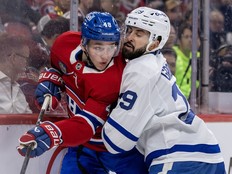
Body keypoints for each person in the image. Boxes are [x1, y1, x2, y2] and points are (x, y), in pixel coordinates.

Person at [17, 11, 147, 173]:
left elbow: (84, 126)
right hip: (82, 147)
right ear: (84, 43)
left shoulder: (113, 78)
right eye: (98, 47)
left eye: (112, 46)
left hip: (119, 150)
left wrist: (52, 133)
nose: (105, 56)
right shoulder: (63, 45)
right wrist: (53, 78)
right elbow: (58, 67)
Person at [102, 7, 226, 174]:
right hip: (206, 154)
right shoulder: (156, 60)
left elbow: (115, 140)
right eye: (129, 31)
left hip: (178, 158)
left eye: (139, 34)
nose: (129, 38)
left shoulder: (141, 69)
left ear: (155, 42)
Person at [0, 33, 32, 114]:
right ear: (13, 58)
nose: (27, 64)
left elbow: (28, 121)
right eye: (26, 58)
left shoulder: (16, 88)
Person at [173, 22, 200, 100]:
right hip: (175, 99)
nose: (190, 40)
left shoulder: (198, 57)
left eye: (192, 37)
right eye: (186, 37)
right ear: (179, 40)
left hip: (193, 100)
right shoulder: (173, 54)